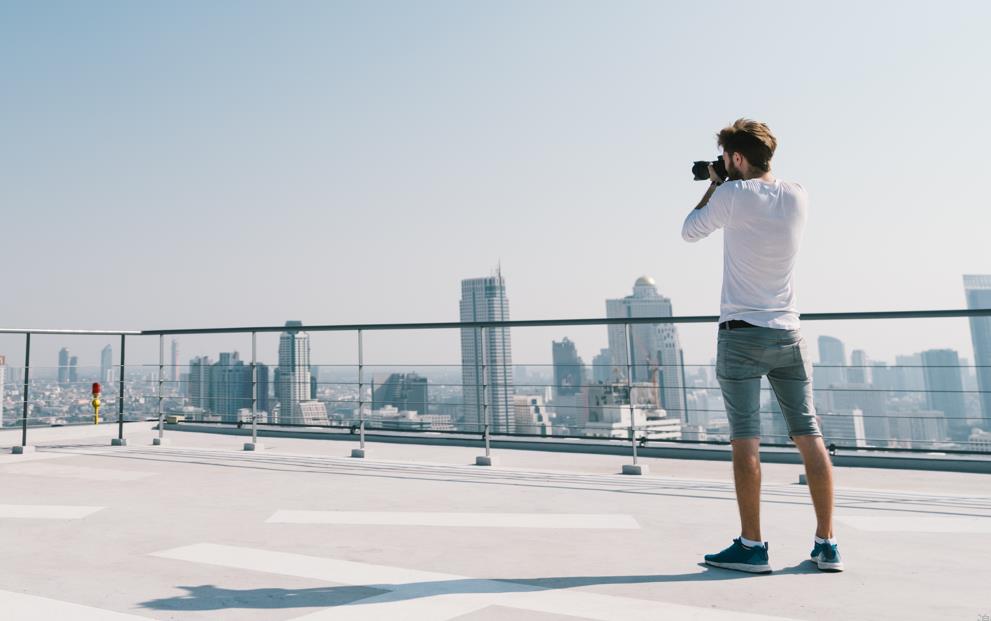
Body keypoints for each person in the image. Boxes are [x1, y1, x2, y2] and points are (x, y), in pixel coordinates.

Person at [681, 119, 843, 573]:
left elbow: (689, 231)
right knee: (809, 435)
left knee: (745, 441)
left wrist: (714, 187)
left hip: (741, 335)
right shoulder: (798, 194)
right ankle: (827, 544)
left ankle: (752, 546)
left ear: (735, 159)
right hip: (789, 333)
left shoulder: (732, 196)